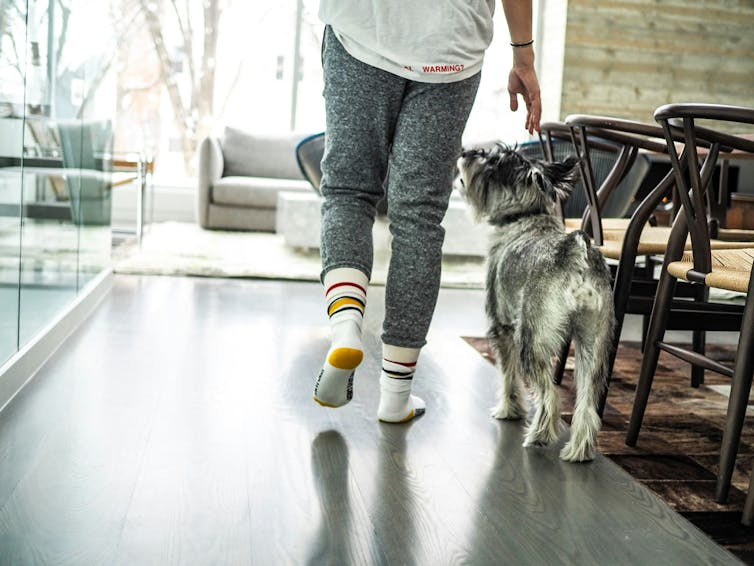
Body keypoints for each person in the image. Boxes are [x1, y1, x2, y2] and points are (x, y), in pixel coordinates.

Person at [313, 0, 542, 423]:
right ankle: (395, 396)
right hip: (450, 48)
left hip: (363, 28)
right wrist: (523, 55)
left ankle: (345, 327)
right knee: (419, 217)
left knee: (348, 192)